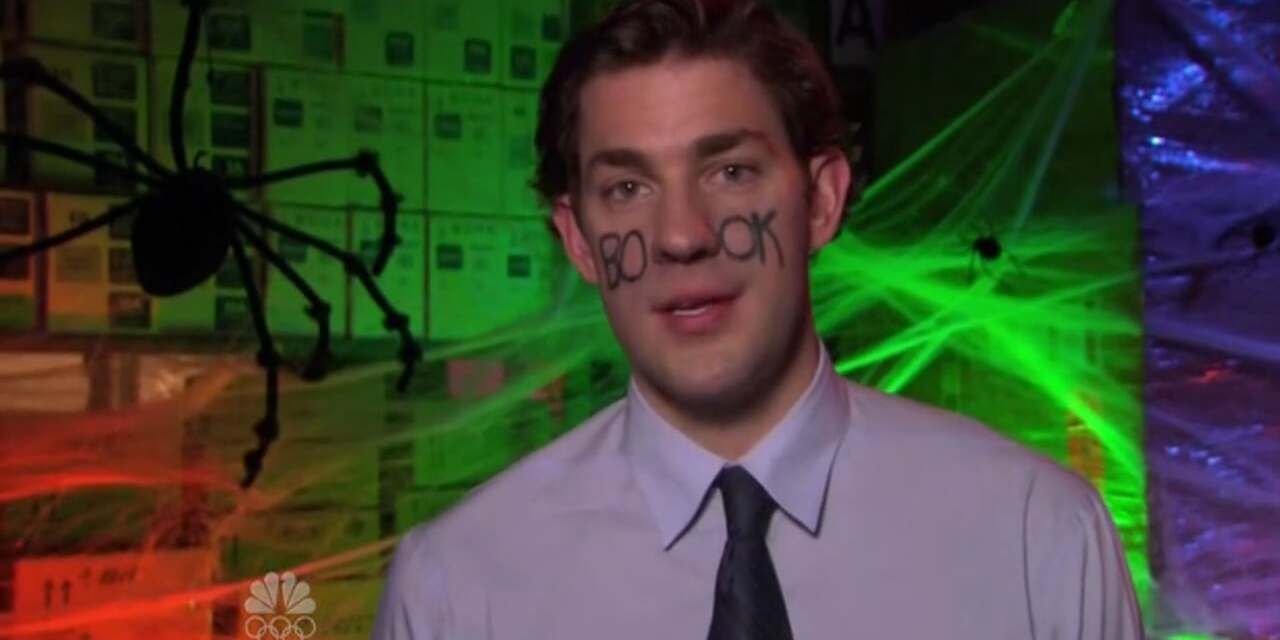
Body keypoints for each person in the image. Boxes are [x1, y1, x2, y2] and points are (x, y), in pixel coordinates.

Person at [372, 0, 1144, 637]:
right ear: (577, 239)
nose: (681, 234)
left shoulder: (1037, 540)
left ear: (823, 199)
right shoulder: (455, 589)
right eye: (627, 189)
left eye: (730, 171)